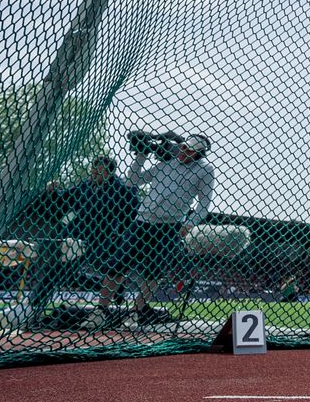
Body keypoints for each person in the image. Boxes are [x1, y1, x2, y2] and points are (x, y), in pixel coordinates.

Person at [82, 134, 215, 331]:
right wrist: (141, 156)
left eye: (190, 150)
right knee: (118, 265)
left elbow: (204, 203)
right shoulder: (166, 163)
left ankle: (135, 313)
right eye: (184, 147)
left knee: (154, 272)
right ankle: (100, 311)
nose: (184, 152)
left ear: (199, 154)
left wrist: (190, 223)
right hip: (142, 221)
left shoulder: (204, 170)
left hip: (170, 226)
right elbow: (132, 181)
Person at [32, 156, 138, 322]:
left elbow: (132, 209)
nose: (94, 173)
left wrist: (119, 232)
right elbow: (65, 198)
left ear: (109, 173)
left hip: (102, 238)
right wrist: (53, 192)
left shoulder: (120, 188)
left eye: (99, 170)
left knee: (106, 270)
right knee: (60, 272)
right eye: (93, 170)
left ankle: (113, 287)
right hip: (75, 234)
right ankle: (35, 305)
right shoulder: (85, 185)